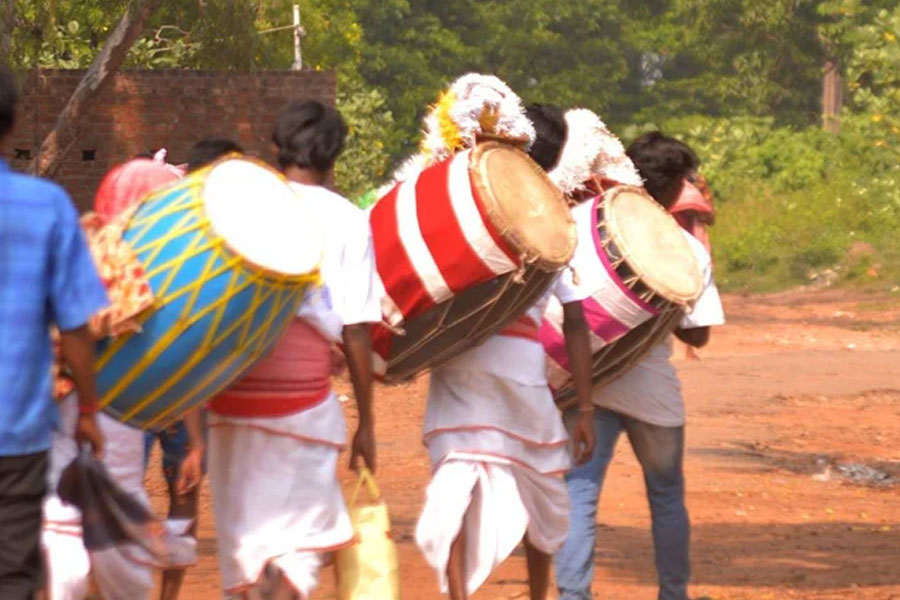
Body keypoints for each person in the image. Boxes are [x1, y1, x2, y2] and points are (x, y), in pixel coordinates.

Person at [414, 108, 597, 600]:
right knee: (541, 486)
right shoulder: (555, 223)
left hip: (460, 358)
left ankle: (456, 593)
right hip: (519, 370)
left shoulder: (473, 202)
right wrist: (584, 406)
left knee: (456, 477)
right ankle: (540, 594)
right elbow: (576, 323)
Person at [206, 100, 379, 599]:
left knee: (246, 547)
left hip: (228, 401)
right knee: (299, 554)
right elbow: (357, 330)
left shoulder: (239, 207)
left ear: (277, 149)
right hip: (300, 406)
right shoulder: (347, 220)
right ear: (334, 157)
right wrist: (368, 422)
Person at [553, 132, 726, 600]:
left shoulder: (586, 219)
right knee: (666, 495)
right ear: (675, 190)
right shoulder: (684, 249)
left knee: (579, 493)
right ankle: (674, 595)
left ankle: (574, 595)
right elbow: (698, 334)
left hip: (587, 382)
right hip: (652, 390)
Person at [41, 152, 200, 600]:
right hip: (76, 420)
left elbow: (182, 361)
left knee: (115, 569)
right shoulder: (90, 259)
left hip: (114, 427)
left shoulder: (163, 280)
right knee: (70, 564)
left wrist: (195, 441)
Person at [0, 65, 107, 599]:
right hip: (16, 435)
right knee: (13, 574)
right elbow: (77, 327)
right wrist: (88, 412)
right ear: (13, 123)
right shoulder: (47, 208)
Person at [142, 137, 243, 600]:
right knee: (130, 489)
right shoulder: (168, 220)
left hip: (177, 383)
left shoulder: (226, 230)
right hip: (146, 380)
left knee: (181, 488)